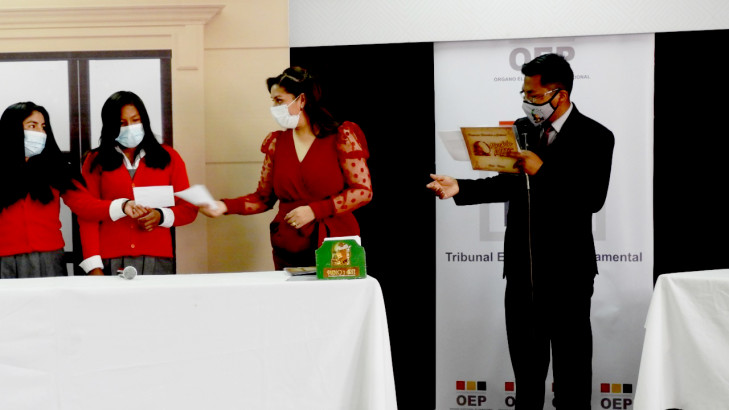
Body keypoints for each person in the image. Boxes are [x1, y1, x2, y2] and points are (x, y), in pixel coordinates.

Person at [427, 54, 614, 409]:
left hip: (569, 273)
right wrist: (460, 188)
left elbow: (592, 199)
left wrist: (542, 171)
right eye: (524, 93)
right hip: (522, 269)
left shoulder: (596, 136)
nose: (528, 102)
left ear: (560, 94)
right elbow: (507, 184)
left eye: (535, 94)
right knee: (527, 377)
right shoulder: (521, 129)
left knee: (572, 377)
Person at [200, 66, 373, 269]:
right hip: (290, 244)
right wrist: (224, 206)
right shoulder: (276, 143)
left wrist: (315, 210)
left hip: (336, 242)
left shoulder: (341, 137)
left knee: (337, 289)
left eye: (279, 100)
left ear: (302, 100)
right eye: (273, 101)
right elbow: (263, 198)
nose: (274, 107)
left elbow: (363, 191)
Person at [0, 102, 145, 278]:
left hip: (49, 258)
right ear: (12, 129)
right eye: (32, 126)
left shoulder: (57, 167)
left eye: (43, 127)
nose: (40, 133)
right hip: (3, 259)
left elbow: (85, 205)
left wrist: (122, 206)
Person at [78, 91, 197, 275]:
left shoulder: (169, 157)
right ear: (110, 126)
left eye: (135, 120)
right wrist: (93, 266)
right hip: (110, 258)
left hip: (158, 258)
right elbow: (87, 214)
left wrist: (160, 216)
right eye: (122, 123)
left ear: (144, 121)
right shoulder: (95, 160)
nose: (130, 128)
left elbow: (189, 208)